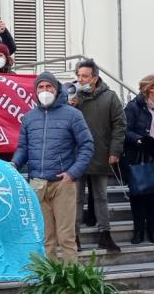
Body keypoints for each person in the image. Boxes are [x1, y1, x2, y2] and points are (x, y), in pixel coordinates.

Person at [13, 72, 94, 263]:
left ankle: (69, 285)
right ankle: (49, 283)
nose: (44, 91)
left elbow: (87, 146)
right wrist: (14, 163)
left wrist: (73, 173)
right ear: (35, 91)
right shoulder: (29, 118)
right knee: (45, 239)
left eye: (48, 87)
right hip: (37, 184)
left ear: (57, 89)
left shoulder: (73, 115)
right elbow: (23, 148)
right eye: (40, 87)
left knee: (66, 238)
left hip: (63, 184)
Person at [68, 60, 126, 253]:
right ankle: (74, 237)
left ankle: (105, 235)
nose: (80, 79)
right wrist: (69, 106)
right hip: (77, 157)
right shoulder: (73, 97)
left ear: (95, 78)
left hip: (101, 153)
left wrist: (115, 151)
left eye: (84, 76)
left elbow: (119, 125)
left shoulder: (110, 97)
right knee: (76, 199)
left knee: (101, 197)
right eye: (78, 75)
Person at [124, 74, 154, 245]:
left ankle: (153, 231)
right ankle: (138, 232)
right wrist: (140, 139)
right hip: (138, 156)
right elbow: (125, 130)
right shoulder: (134, 107)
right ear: (150, 88)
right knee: (138, 197)